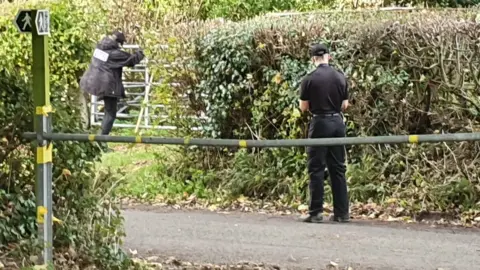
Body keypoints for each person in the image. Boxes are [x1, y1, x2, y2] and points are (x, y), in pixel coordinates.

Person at [298, 43, 350, 223]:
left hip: (319, 122)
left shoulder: (309, 79)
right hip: (337, 122)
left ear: (313, 59)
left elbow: (303, 108)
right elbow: (345, 105)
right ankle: (342, 213)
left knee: (316, 167)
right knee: (338, 167)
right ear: (329, 57)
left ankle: (316, 212)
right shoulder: (340, 77)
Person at [80, 30, 145, 136]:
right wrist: (141, 52)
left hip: (91, 81)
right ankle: (102, 139)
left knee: (106, 111)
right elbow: (131, 60)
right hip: (107, 85)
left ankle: (98, 136)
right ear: (118, 42)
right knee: (110, 113)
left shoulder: (99, 47)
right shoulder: (114, 54)